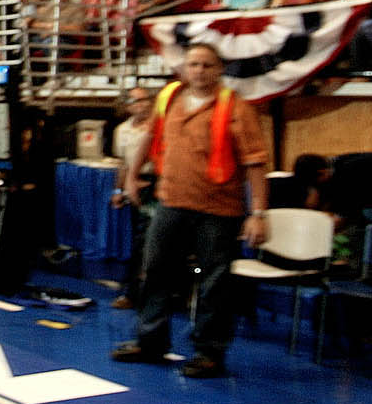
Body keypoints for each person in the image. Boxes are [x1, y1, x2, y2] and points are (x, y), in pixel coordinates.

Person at [111, 42, 268, 379]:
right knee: (155, 272)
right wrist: (133, 177)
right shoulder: (169, 99)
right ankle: (150, 342)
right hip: (171, 202)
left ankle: (209, 353)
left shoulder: (237, 109)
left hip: (218, 210)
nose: (199, 70)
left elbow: (255, 163)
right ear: (183, 69)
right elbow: (148, 139)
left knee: (214, 282)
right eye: (193, 64)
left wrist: (258, 213)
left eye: (207, 65)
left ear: (219, 69)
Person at [110, 86, 155, 310]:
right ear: (128, 106)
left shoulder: (158, 126)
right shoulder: (122, 130)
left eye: (146, 100)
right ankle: (133, 293)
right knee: (138, 241)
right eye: (136, 101)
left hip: (155, 183)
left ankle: (148, 294)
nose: (142, 105)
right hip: (134, 186)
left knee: (148, 242)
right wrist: (119, 190)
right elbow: (124, 164)